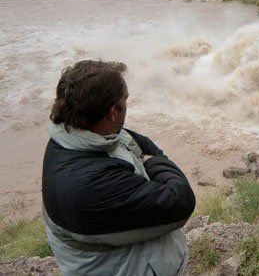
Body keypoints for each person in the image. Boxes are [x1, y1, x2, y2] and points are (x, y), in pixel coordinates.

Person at [42, 60, 195, 276]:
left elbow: (143, 144)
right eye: (126, 99)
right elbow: (180, 201)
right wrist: (151, 162)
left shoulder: (77, 136)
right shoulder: (90, 184)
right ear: (113, 112)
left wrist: (150, 158)